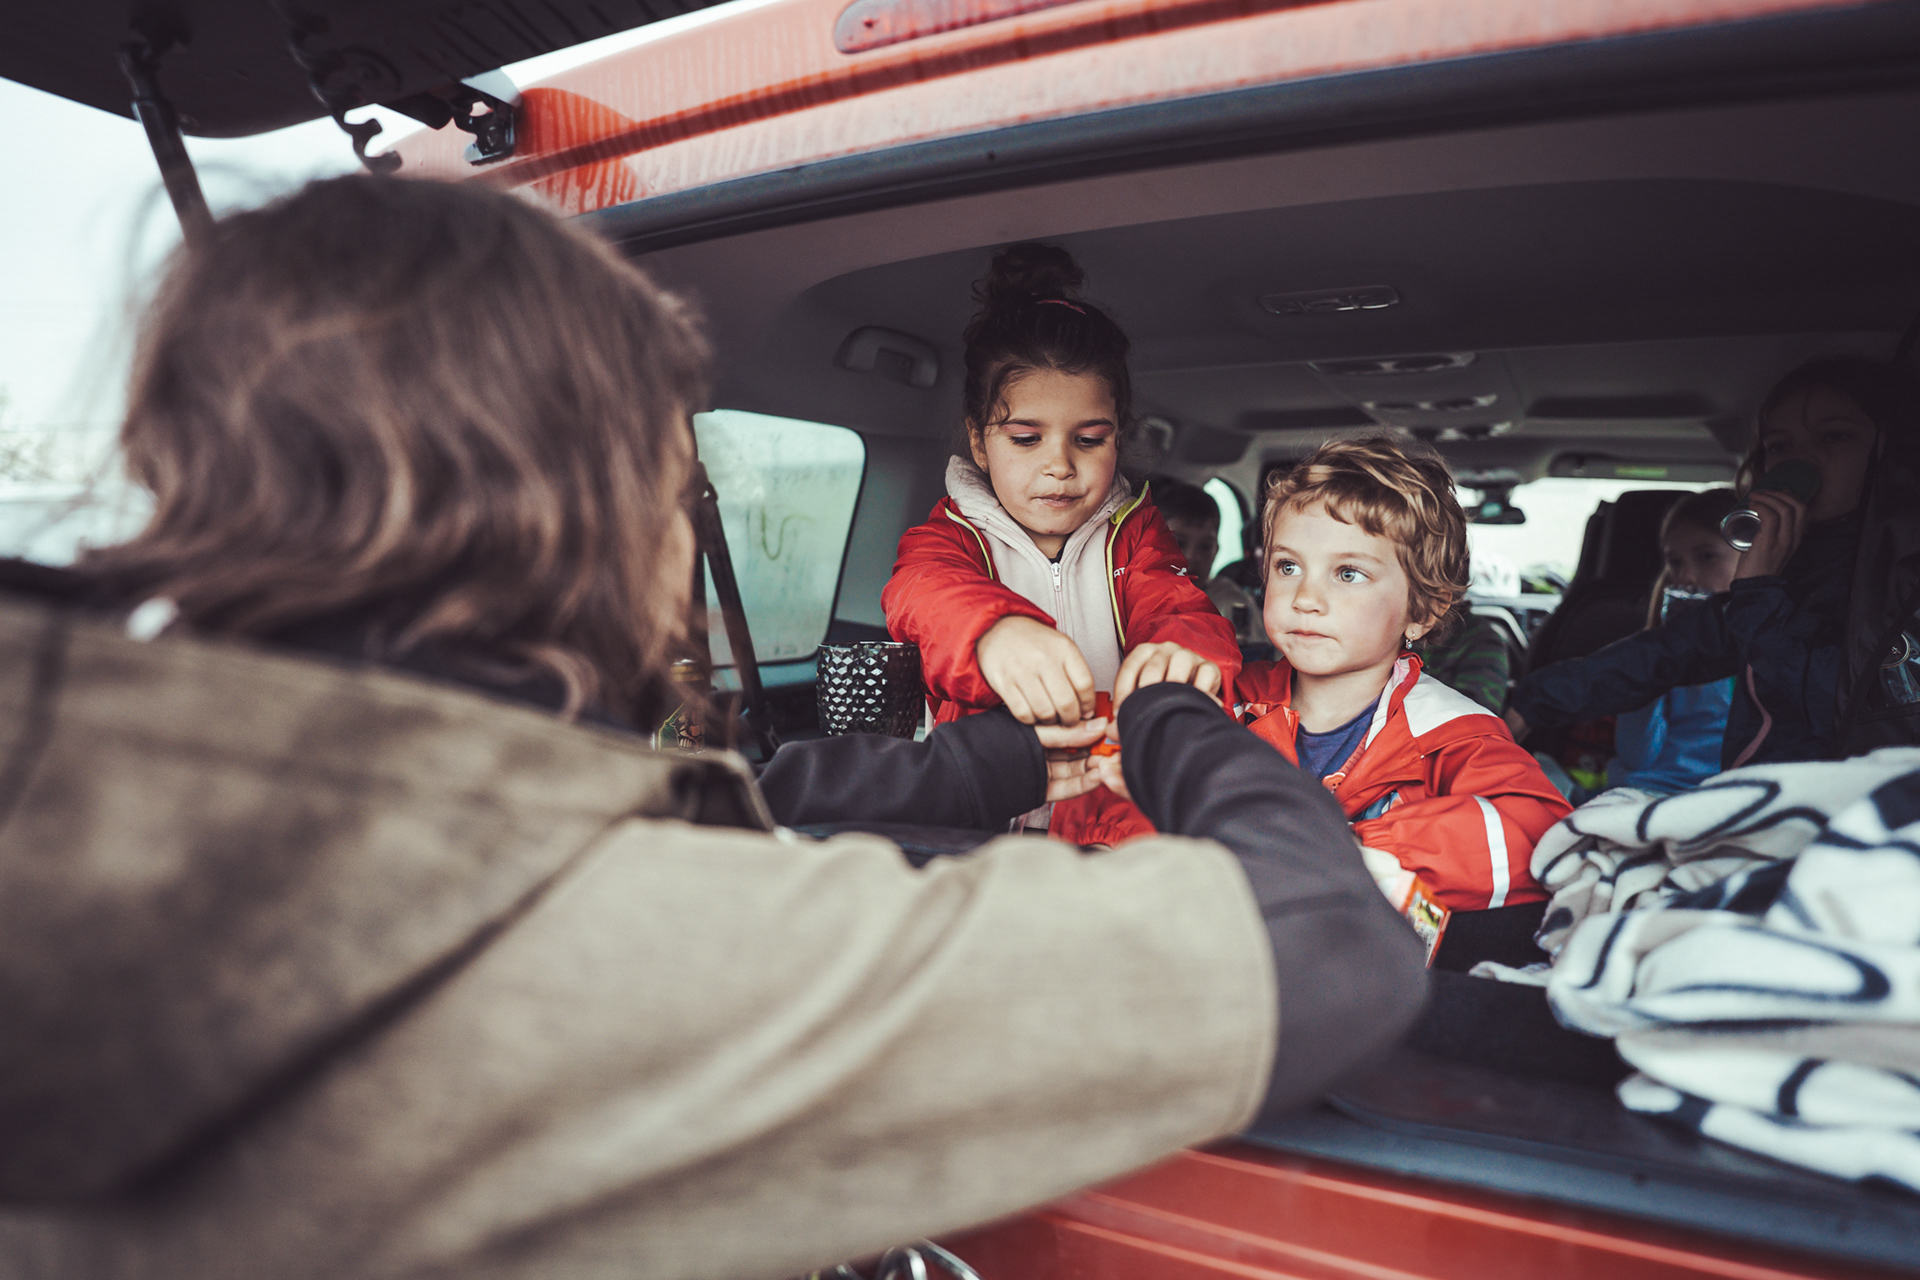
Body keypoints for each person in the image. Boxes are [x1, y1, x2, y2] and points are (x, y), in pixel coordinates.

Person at [0, 177, 1426, 1279]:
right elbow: (1321, 941)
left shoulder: (69, 784)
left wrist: (992, 755)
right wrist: (1168, 717)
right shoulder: (649, 950)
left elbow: (751, 789)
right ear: (600, 506)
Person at [882, 243, 1241, 844]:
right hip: (981, 822)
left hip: (1115, 824)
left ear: (1117, 439)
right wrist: (992, 633)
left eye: (1089, 440)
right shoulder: (948, 539)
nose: (1060, 466)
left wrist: (1183, 655)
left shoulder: (1136, 534)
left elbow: (1178, 609)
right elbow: (922, 595)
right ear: (980, 442)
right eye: (1026, 439)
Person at [1215, 437, 1570, 912]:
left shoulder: (1450, 733)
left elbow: (1540, 833)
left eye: (1348, 573)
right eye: (1288, 566)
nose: (1305, 598)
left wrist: (1350, 849)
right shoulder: (1226, 697)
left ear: (1421, 611)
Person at [1506, 360, 1913, 768]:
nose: (1802, 461)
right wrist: (1533, 702)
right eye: (1779, 447)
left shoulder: (1902, 580)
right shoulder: (1789, 577)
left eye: (1834, 436)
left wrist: (1759, 592)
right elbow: (1662, 654)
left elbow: (1841, 707)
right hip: (1758, 794)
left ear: (1890, 449)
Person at [1149, 475, 1262, 644]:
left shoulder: (1231, 605)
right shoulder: (1132, 600)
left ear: (1216, 551)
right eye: (1178, 543)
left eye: (1205, 546)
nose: (1192, 556)